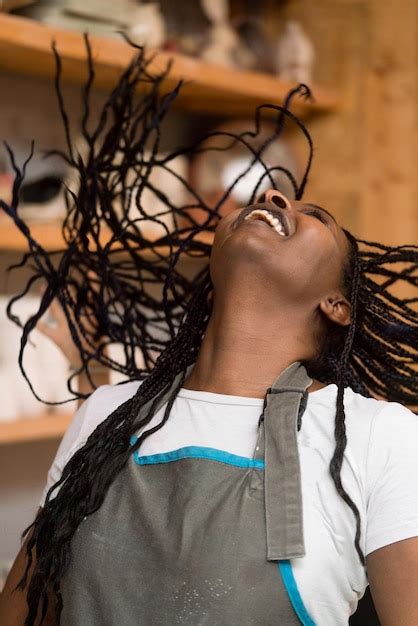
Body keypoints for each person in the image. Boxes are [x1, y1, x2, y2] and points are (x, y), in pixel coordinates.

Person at [0, 44, 417, 626]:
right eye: (269, 192)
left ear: (337, 306)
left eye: (316, 215)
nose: (273, 195)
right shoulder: (107, 415)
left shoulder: (380, 438)